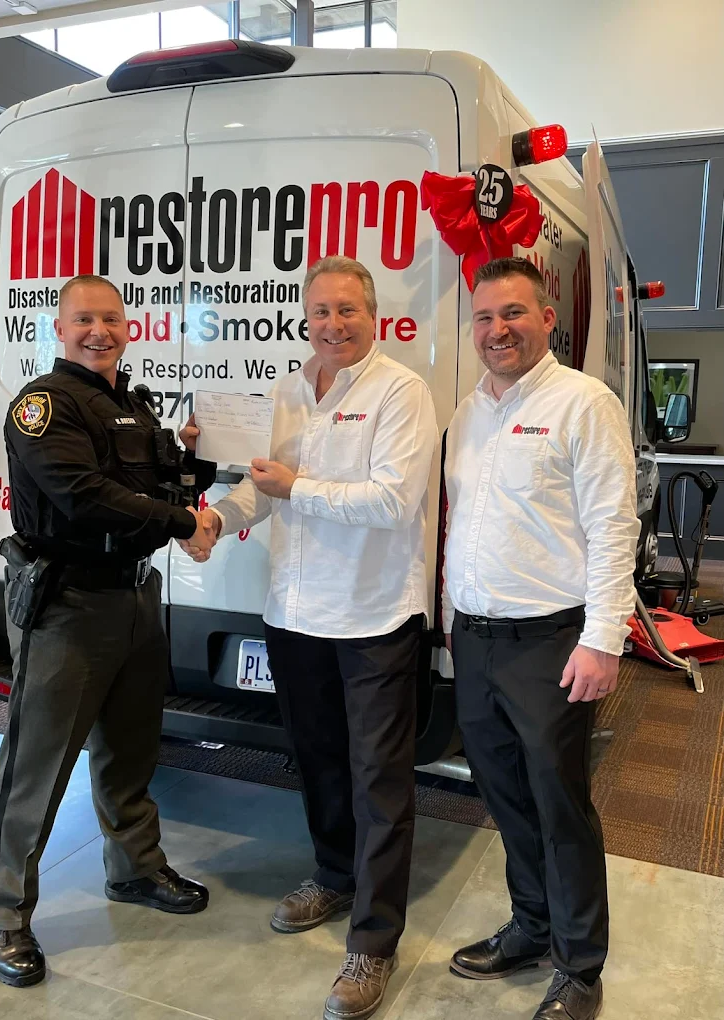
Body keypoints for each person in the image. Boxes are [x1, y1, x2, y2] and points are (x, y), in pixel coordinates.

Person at [187, 256, 438, 1020]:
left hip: (371, 618)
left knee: (378, 781)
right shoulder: (290, 390)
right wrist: (216, 520)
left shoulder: (402, 391)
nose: (332, 324)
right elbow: (259, 486)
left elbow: (393, 501)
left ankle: (374, 941)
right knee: (317, 760)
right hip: (292, 613)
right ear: (305, 316)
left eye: (347, 311)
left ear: (374, 314)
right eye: (320, 311)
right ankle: (333, 876)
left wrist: (293, 488)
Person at [0, 274, 217, 989]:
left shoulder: (131, 405)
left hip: (134, 598)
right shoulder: (42, 405)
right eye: (84, 319)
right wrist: (182, 521)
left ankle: (136, 872)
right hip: (68, 606)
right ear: (60, 327)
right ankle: (5, 917)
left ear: (128, 326)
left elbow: (160, 483)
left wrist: (190, 463)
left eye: (111, 319)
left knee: (130, 751)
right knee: (36, 770)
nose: (99, 331)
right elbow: (81, 495)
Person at [442, 257, 640, 1020]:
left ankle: (579, 966)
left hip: (552, 643)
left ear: (546, 317)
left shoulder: (582, 403)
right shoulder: (468, 414)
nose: (497, 330)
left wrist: (603, 639)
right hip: (477, 639)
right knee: (503, 797)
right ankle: (529, 925)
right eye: (485, 317)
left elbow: (611, 525)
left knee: (559, 805)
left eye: (513, 313)